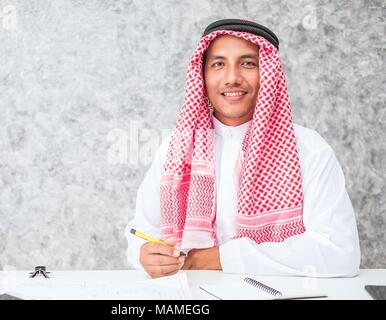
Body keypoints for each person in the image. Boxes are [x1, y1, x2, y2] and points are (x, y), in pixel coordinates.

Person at [125, 19, 360, 278]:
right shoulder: (177, 148)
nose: (232, 78)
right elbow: (141, 232)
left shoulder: (308, 149)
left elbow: (340, 254)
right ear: (203, 75)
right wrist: (145, 254)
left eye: (248, 63)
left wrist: (218, 258)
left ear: (269, 75)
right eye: (218, 64)